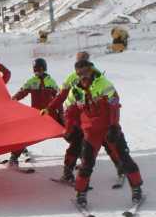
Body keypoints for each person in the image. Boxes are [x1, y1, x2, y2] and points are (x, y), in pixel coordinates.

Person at [66, 59, 144, 206]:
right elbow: (69, 110)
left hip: (109, 128)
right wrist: (70, 129)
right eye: (79, 74)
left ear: (91, 70)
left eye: (86, 72)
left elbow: (114, 105)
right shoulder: (75, 90)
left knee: (124, 158)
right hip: (90, 132)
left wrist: (114, 126)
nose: (83, 76)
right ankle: (81, 193)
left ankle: (137, 188)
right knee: (86, 163)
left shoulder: (104, 84)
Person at [44, 52, 125, 184]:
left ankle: (120, 167)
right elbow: (62, 95)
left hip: (95, 117)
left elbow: (110, 96)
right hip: (78, 116)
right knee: (76, 143)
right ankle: (68, 172)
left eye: (84, 61)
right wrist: (50, 108)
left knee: (107, 140)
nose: (81, 64)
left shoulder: (97, 75)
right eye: (79, 61)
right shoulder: (72, 77)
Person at [9, 58, 60, 164]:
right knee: (25, 133)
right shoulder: (32, 81)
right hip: (37, 114)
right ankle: (14, 156)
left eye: (40, 69)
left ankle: (79, 151)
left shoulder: (51, 81)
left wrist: (61, 112)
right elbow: (22, 92)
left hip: (50, 113)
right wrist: (13, 99)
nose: (38, 72)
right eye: (36, 70)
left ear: (44, 69)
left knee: (67, 130)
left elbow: (59, 97)